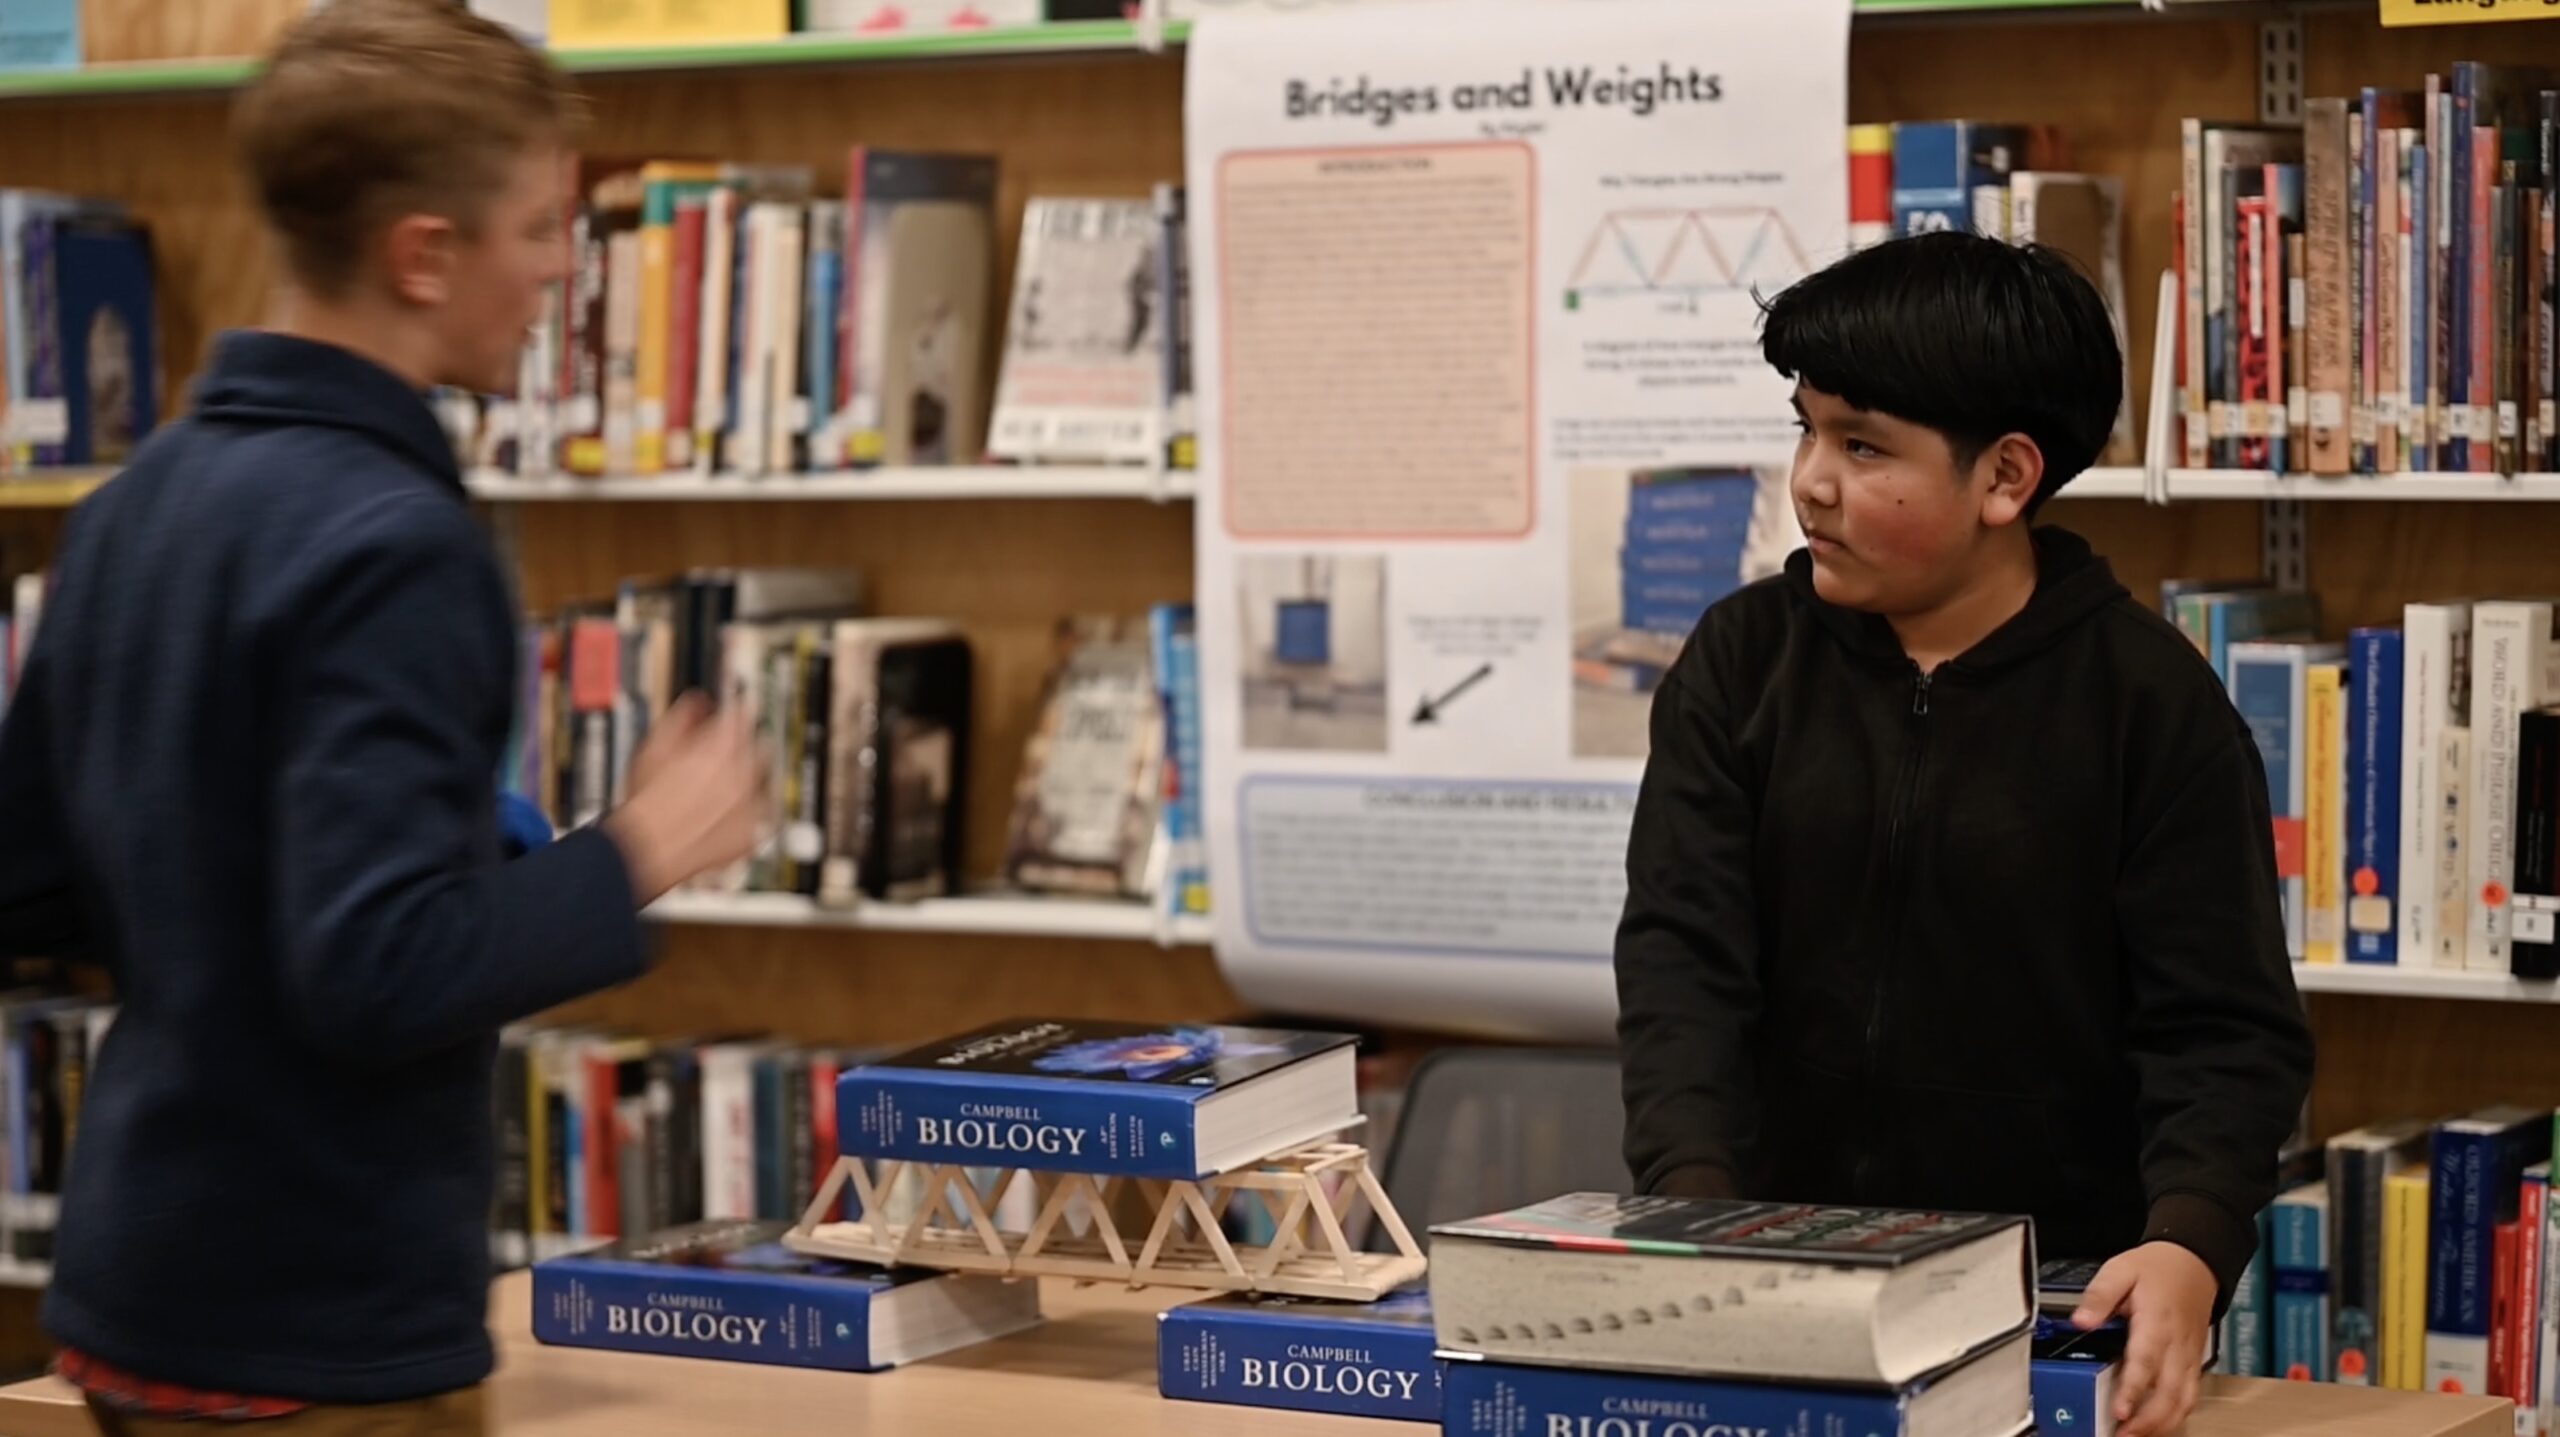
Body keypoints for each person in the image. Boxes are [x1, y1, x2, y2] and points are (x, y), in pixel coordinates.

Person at [0, 0, 766, 1428]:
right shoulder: (395, 539)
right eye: (540, 231)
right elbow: (378, 969)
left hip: (136, 1295)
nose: (557, 277)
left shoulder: (133, 504)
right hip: (316, 1329)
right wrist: (640, 848)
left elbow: (31, 880)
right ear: (424, 254)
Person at [1613, 230, 2314, 1437]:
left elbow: (2224, 1031)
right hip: (1769, 1293)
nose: (1811, 480)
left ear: (2004, 479)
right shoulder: (1739, 664)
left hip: (2052, 1315)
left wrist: (2189, 1242)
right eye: (1805, 428)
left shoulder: (2150, 706)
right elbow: (1681, 965)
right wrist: (1692, 1208)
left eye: (1862, 444)